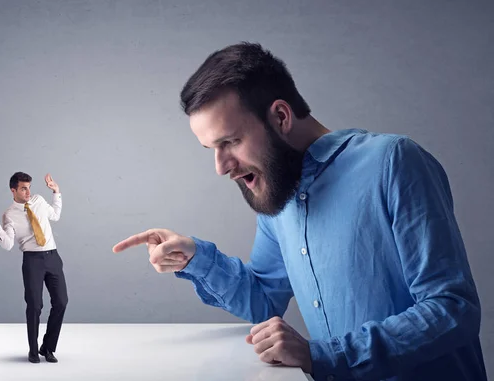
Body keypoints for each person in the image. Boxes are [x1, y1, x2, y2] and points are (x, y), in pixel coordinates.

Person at [112, 42, 487, 381]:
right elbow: (264, 298)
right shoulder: (279, 191)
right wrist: (193, 256)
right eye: (212, 148)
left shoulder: (394, 162)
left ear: (280, 117)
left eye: (231, 142)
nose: (221, 166)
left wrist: (322, 355)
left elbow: (452, 308)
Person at [0, 172, 68, 364]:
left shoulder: (39, 200)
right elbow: (8, 244)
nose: (28, 192)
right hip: (32, 261)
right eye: (23, 188)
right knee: (35, 306)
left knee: (61, 302)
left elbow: (55, 215)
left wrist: (56, 192)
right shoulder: (9, 214)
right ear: (13, 190)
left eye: (29, 187)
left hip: (52, 256)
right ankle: (33, 350)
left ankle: (48, 348)